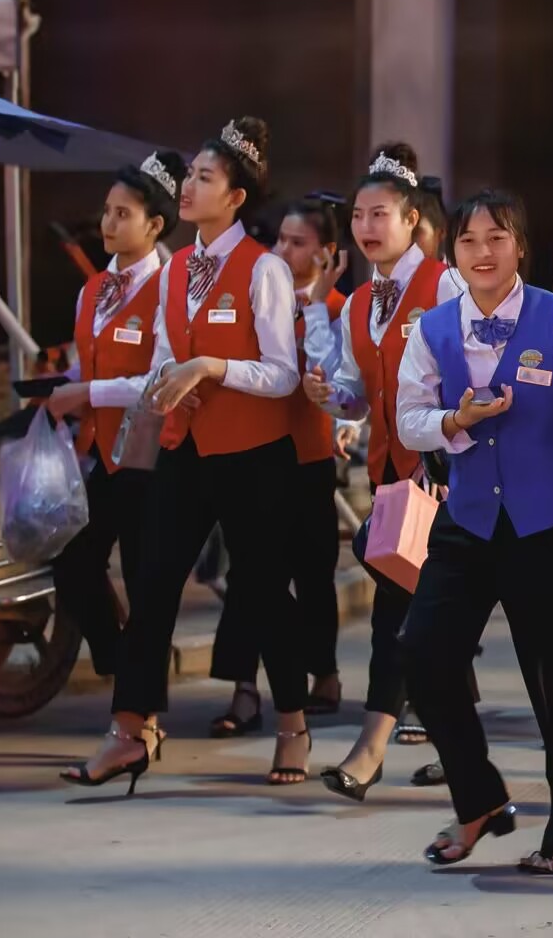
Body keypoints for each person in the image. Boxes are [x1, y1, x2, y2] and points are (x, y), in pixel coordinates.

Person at [61, 117, 313, 793]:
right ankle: (128, 732)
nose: (189, 186)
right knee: (151, 586)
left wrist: (211, 367)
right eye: (191, 175)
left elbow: (283, 375)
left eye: (204, 177)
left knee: (264, 592)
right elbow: (166, 360)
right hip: (185, 449)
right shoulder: (175, 272)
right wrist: (170, 381)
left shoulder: (264, 269)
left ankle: (292, 723)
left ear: (236, 197)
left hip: (255, 456)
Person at [393, 189, 553, 872]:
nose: (483, 252)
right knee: (422, 653)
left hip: (547, 519)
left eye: (497, 238)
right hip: (467, 519)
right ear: (451, 253)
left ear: (519, 246)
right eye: (468, 241)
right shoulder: (432, 328)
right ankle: (479, 799)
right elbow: (409, 419)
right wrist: (454, 422)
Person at [301, 145, 461, 800]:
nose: (366, 227)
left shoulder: (446, 286)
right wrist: (329, 398)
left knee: (402, 609)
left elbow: (471, 373)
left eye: (381, 214)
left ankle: (371, 750)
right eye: (359, 215)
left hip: (448, 477)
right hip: (392, 478)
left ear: (412, 219)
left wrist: (446, 451)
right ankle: (451, 743)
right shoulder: (358, 302)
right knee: (415, 608)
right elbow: (358, 396)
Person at [45, 152, 184, 715]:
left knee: (146, 582)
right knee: (73, 562)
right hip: (101, 455)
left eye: (123, 214)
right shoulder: (94, 289)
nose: (107, 223)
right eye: (106, 210)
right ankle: (124, 665)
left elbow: (160, 379)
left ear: (155, 225)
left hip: (152, 458)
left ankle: (141, 716)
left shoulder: (171, 289)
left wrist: (87, 391)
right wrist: (62, 388)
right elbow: (89, 363)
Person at [206, 193, 350, 736]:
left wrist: (349, 425)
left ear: (326, 252)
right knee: (251, 574)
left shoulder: (337, 309)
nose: (283, 251)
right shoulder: (259, 292)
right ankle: (243, 687)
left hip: (309, 454)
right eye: (280, 240)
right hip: (256, 453)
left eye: (297, 242)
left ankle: (324, 673)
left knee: (313, 571)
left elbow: (345, 382)